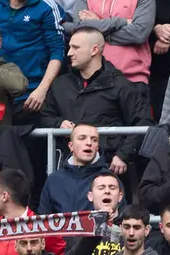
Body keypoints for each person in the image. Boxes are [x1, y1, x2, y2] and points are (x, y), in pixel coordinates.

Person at [42, 29, 150, 175]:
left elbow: (143, 122)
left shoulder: (121, 85)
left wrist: (123, 155)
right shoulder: (60, 85)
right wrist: (58, 123)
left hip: (108, 169)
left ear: (94, 50)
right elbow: (43, 117)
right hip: (67, 168)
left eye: (76, 47)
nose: (69, 53)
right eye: (69, 47)